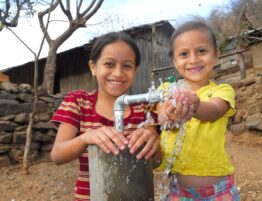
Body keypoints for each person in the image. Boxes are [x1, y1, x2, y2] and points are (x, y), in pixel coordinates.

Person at [50, 31, 162, 201]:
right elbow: (57, 155)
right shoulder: (78, 102)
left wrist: (153, 143)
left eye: (127, 66)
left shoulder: (145, 109)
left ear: (135, 70)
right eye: (109, 64)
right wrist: (85, 138)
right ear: (93, 67)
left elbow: (157, 162)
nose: (118, 73)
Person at [156, 20, 240, 200]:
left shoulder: (222, 90)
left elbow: (214, 111)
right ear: (174, 60)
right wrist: (166, 114)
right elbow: (160, 112)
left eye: (202, 51)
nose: (193, 60)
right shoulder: (166, 90)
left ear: (216, 55)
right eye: (184, 54)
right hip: (177, 192)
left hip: (218, 191)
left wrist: (195, 105)